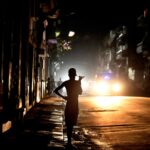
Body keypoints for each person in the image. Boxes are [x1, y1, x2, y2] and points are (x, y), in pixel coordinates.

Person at [53, 68, 84, 148]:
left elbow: (55, 90)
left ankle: (69, 143)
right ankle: (69, 143)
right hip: (75, 105)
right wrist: (80, 81)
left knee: (69, 123)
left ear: (69, 75)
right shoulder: (77, 83)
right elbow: (80, 92)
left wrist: (64, 97)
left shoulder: (66, 83)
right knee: (72, 123)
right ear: (74, 75)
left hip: (69, 104)